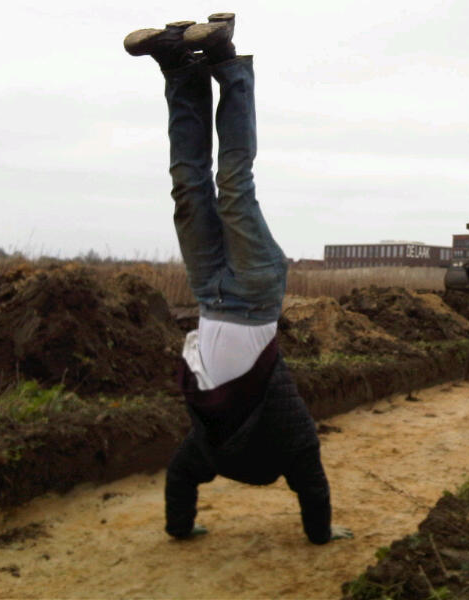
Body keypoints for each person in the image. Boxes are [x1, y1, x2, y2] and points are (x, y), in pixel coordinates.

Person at [123, 14, 351, 545]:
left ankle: (178, 67)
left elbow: (180, 478)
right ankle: (227, 63)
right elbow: (313, 489)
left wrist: (181, 531)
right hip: (253, 293)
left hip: (208, 292)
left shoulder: (209, 444)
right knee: (233, 186)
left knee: (187, 188)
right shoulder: (291, 434)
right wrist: (323, 536)